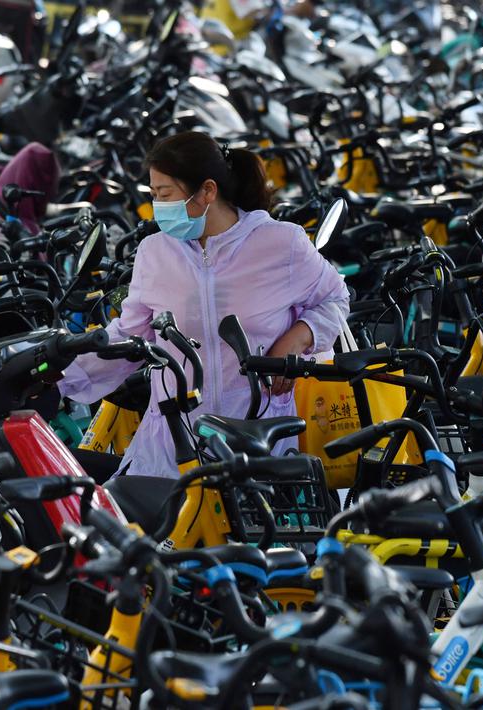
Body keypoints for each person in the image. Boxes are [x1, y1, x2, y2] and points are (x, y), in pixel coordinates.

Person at [59, 131, 350, 478]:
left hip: (256, 439)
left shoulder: (280, 242)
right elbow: (127, 338)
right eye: (153, 195)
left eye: (164, 194)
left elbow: (334, 299)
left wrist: (297, 339)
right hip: (173, 445)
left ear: (208, 191)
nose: (158, 206)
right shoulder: (156, 252)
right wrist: (56, 378)